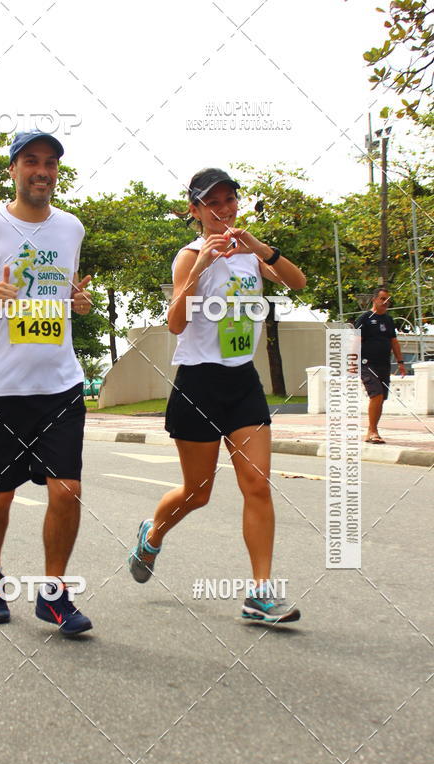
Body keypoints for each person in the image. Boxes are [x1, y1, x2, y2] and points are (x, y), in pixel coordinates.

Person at [128, 168, 307, 624]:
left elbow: (297, 282)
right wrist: (203, 265)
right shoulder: (189, 256)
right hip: (200, 384)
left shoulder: (251, 255)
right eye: (212, 203)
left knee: (257, 485)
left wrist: (261, 248)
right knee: (198, 492)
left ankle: (260, 593)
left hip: (242, 381)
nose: (223, 209)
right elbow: (175, 324)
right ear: (195, 211)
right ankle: (152, 536)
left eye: (229, 200)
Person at [0, 130, 93, 634]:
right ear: (13, 169)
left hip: (60, 384)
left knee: (66, 490)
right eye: (31, 161)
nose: (42, 171)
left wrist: (78, 304)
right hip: (2, 389)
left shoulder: (72, 228)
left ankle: (53, 593)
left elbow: (64, 294)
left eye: (49, 163)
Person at [354, 288, 406, 444]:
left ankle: (372, 429)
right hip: (367, 364)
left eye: (387, 300)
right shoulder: (364, 318)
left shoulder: (389, 320)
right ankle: (372, 431)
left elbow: (394, 342)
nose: (385, 302)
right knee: (376, 395)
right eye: (382, 299)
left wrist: (400, 362)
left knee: (381, 397)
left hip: (384, 364)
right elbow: (356, 341)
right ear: (374, 300)